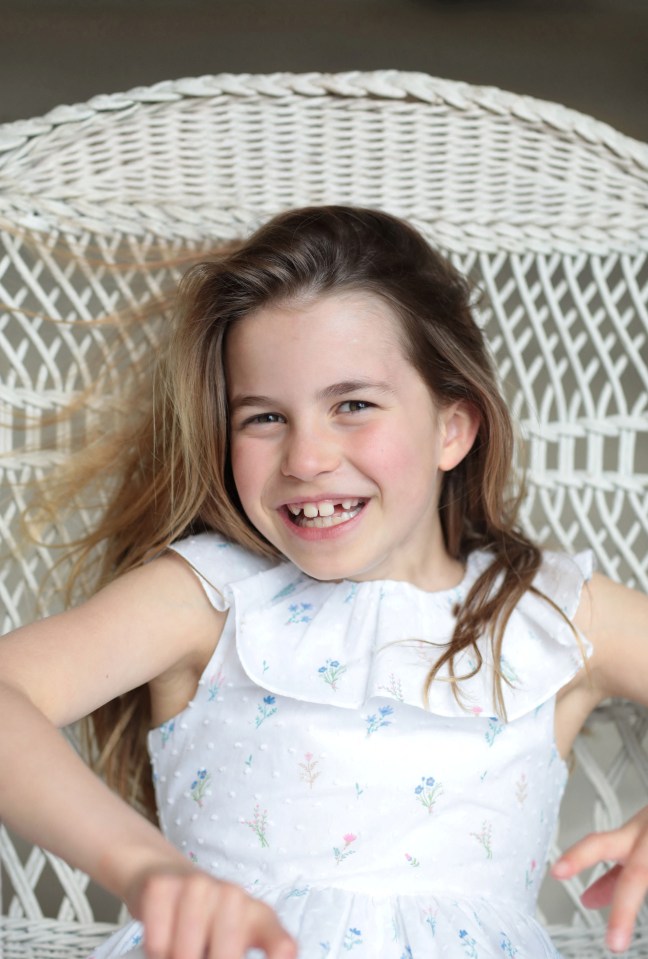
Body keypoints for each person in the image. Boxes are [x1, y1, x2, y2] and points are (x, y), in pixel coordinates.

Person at [0, 206, 646, 959]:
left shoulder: (550, 615)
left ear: (453, 428)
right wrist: (146, 869)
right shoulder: (209, 599)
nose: (306, 457)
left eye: (353, 405)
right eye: (265, 417)